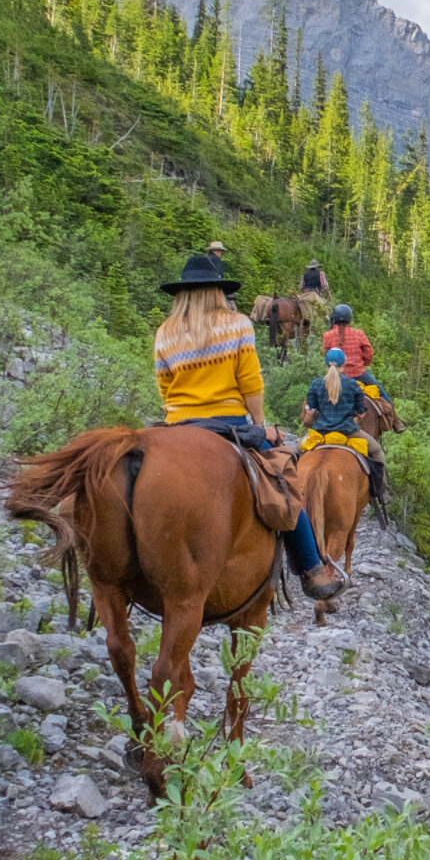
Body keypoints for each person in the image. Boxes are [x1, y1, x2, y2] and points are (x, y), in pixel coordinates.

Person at [154, 253, 342, 600]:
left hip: (176, 425)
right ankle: (313, 570)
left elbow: (164, 387)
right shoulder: (236, 324)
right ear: (217, 291)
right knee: (284, 487)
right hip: (228, 424)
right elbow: (250, 382)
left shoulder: (165, 332)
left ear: (181, 293)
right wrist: (260, 427)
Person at [303, 348, 390, 505]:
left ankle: (288, 489)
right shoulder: (353, 385)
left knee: (294, 452)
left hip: (320, 433)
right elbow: (361, 412)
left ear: (325, 364)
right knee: (377, 451)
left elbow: (310, 411)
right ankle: (381, 491)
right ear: (344, 365)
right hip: (349, 432)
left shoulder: (316, 384)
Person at [322, 303, 374, 378]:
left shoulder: (327, 335)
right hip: (358, 374)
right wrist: (362, 364)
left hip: (336, 376)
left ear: (334, 318)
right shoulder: (359, 333)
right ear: (349, 318)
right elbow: (369, 353)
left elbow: (327, 355)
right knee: (379, 390)